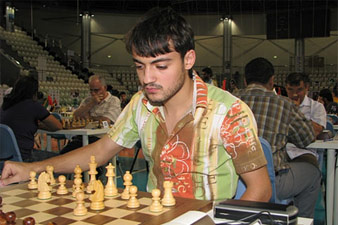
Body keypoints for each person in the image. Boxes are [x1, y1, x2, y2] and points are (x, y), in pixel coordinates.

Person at [0, 7, 271, 202]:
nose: (147, 79)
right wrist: (33, 168)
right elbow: (102, 150)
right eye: (140, 66)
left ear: (189, 60)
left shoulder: (229, 112)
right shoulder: (141, 104)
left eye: (160, 66)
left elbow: (260, 190)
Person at [234, 58, 320, 218]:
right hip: (271, 180)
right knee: (313, 173)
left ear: (245, 80)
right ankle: (301, 221)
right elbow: (306, 138)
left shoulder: (229, 100)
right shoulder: (284, 104)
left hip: (233, 179)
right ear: (272, 80)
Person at [0, 76, 63, 162]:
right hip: (24, 157)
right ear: (34, 92)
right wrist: (39, 125)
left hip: (4, 157)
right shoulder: (33, 105)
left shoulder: (5, 105)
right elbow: (57, 126)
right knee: (62, 160)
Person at [60, 74, 121, 155]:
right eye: (91, 90)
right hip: (83, 137)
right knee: (63, 154)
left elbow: (106, 120)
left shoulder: (114, 101)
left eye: (96, 90)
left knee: (83, 157)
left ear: (105, 88)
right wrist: (91, 104)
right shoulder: (88, 100)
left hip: (102, 139)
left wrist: (88, 117)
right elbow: (75, 116)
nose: (93, 93)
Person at [285, 73, 327, 162]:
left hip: (305, 153)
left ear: (307, 87)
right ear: (286, 88)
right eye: (290, 90)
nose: (295, 94)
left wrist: (295, 111)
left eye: (299, 90)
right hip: (283, 152)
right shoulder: (280, 105)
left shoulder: (317, 107)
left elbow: (315, 132)